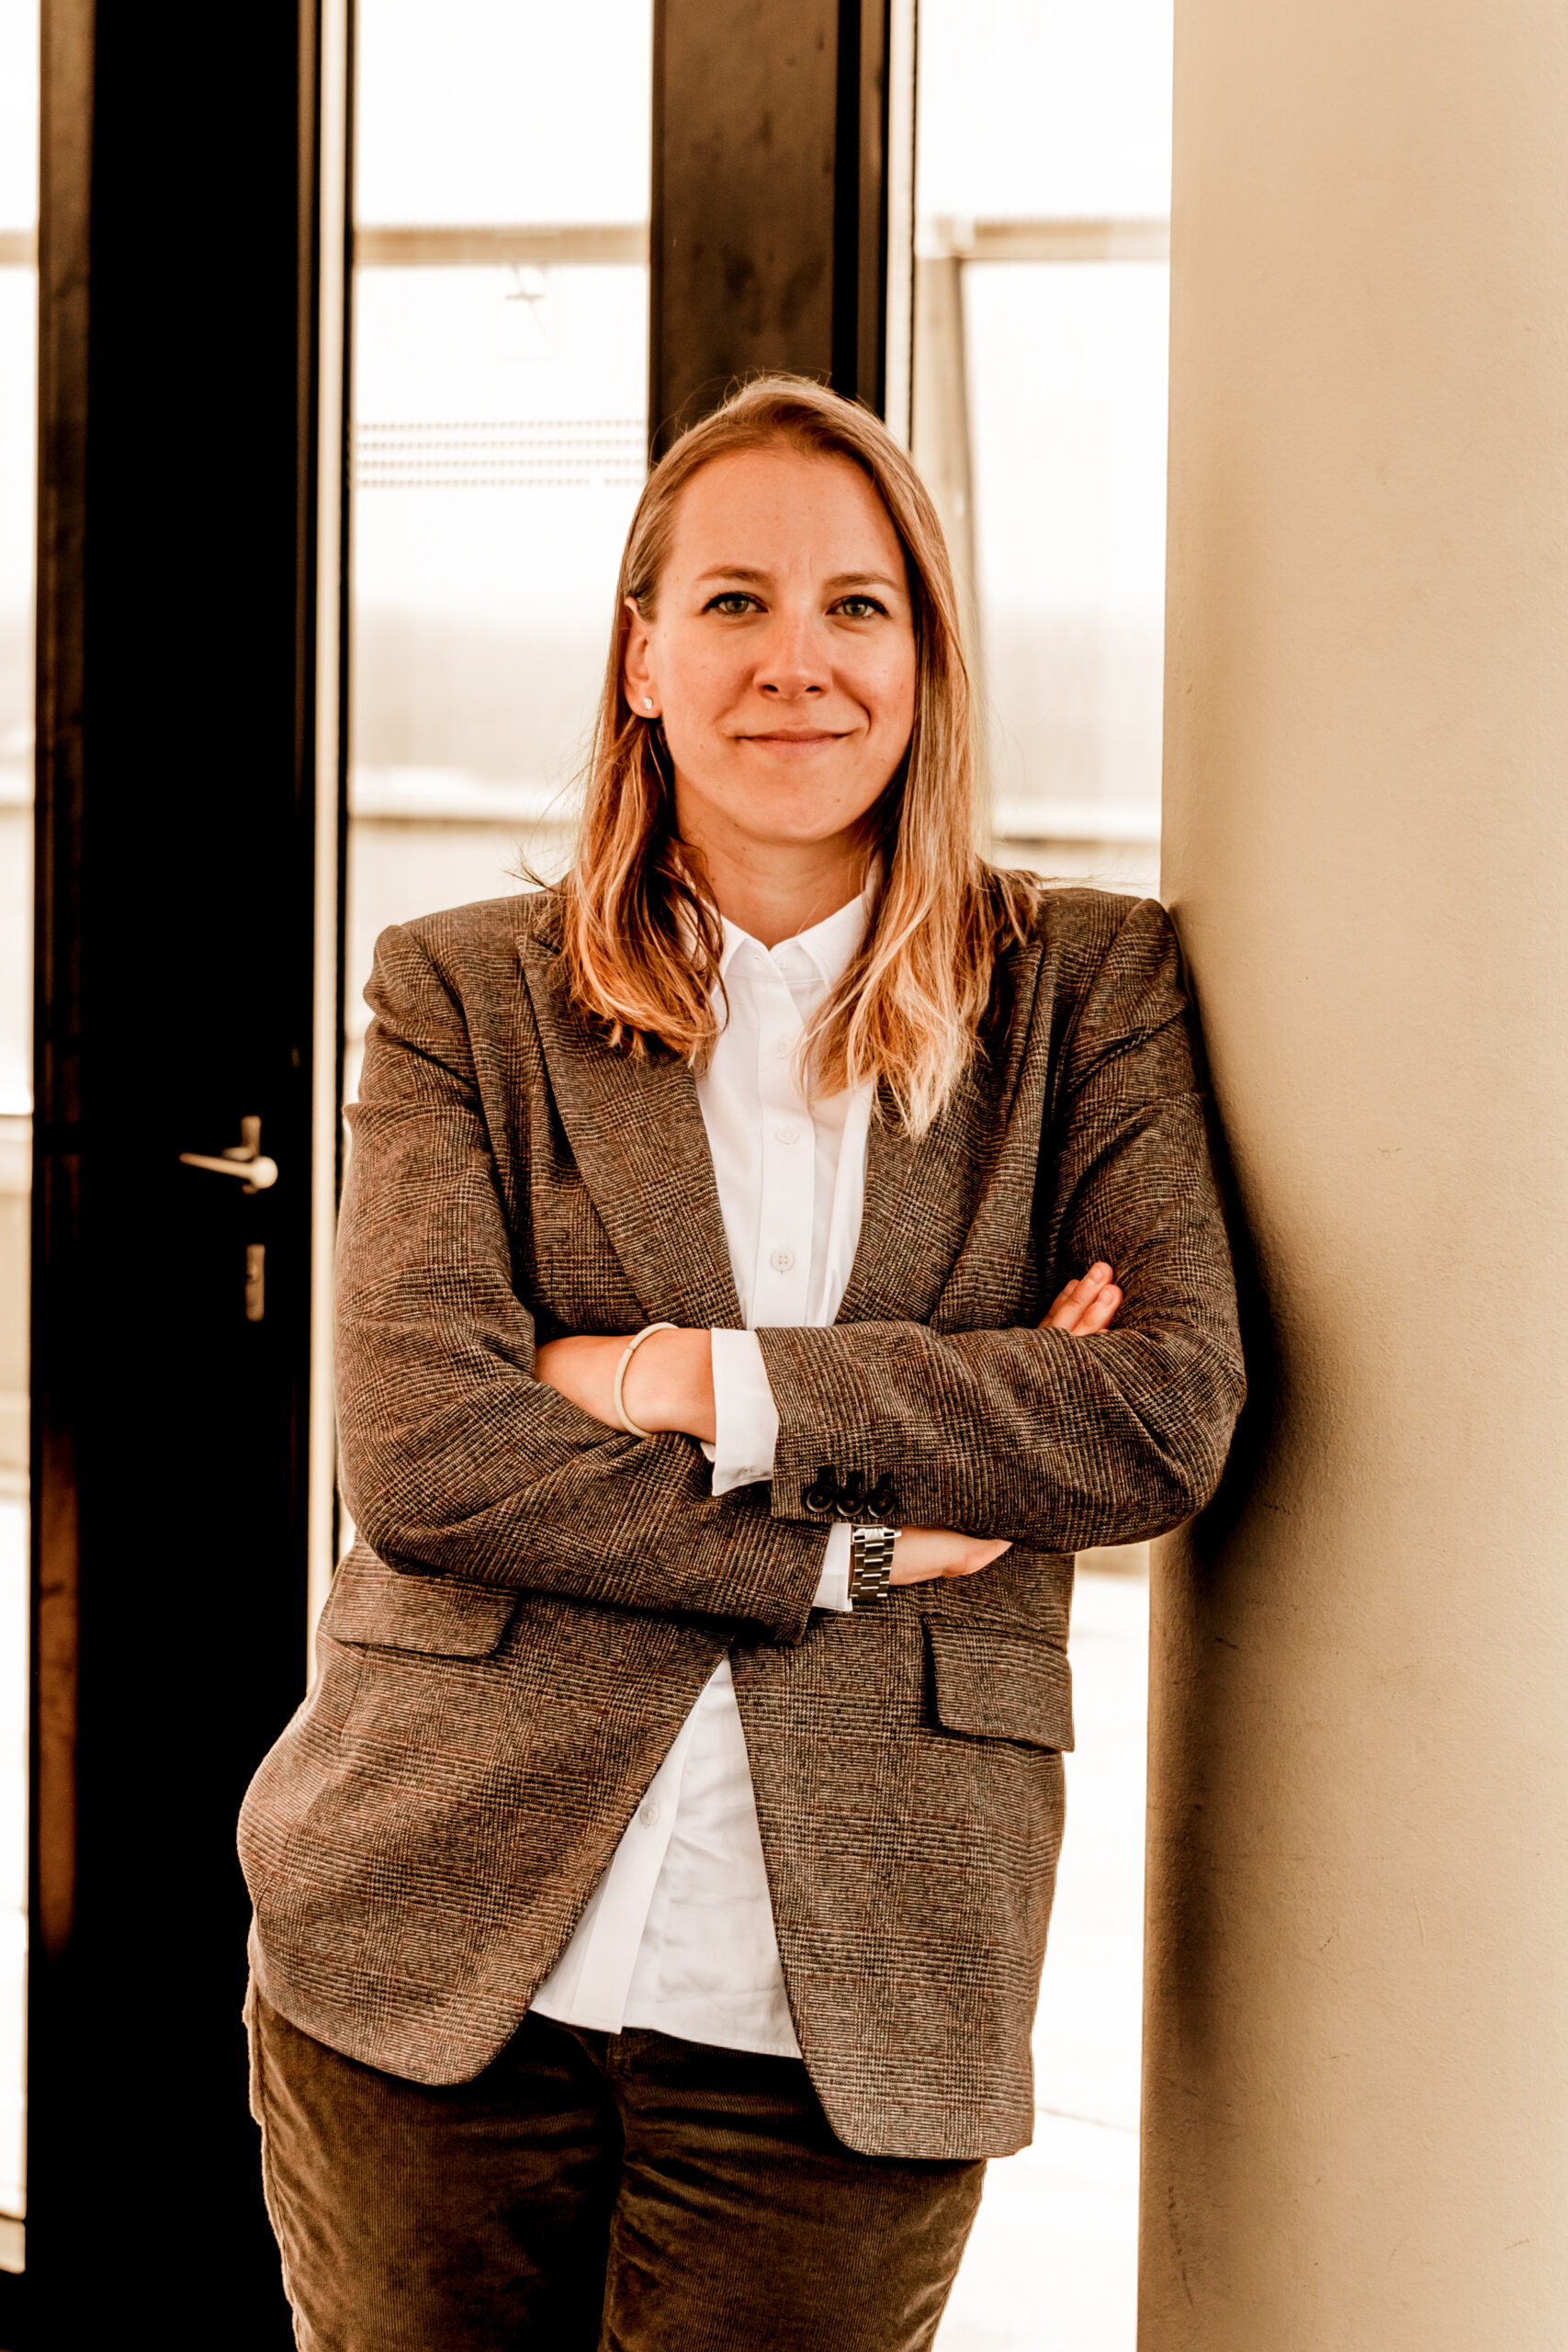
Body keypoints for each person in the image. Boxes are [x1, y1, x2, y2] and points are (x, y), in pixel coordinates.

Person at [238, 374, 1244, 2351]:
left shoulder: (1084, 990)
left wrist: (682, 1374)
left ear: (928, 653)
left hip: (853, 1989)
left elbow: (1150, 1410)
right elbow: (432, 1451)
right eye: (731, 602)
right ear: (638, 656)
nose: (796, 659)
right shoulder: (461, 988)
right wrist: (872, 1532)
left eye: (857, 605)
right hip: (430, 1950)